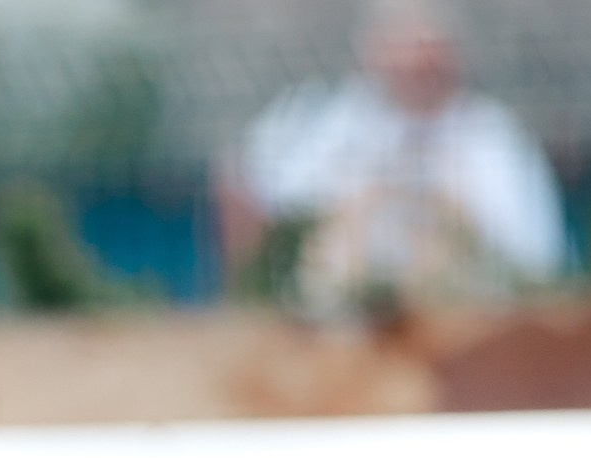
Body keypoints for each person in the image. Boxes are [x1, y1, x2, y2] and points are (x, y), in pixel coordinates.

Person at [219, 0, 566, 316]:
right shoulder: (328, 124)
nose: (415, 64)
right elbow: (252, 197)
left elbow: (535, 262)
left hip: (464, 331)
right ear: (374, 51)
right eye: (402, 46)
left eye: (427, 49)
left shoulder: (494, 139)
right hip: (337, 337)